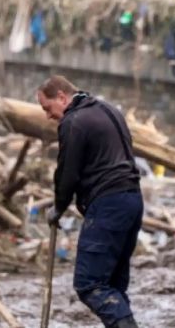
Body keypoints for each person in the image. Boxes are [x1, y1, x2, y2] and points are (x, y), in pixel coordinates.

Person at [37, 75, 143, 328]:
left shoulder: (73, 121)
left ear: (62, 97)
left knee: (90, 283)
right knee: (114, 286)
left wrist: (58, 207)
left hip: (108, 204)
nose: (48, 116)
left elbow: (67, 173)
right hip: (133, 200)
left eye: (47, 108)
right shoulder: (109, 109)